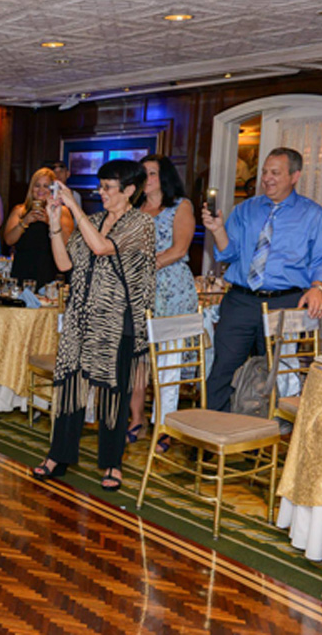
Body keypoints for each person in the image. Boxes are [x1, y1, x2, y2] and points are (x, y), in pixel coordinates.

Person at [33, 160, 156, 491]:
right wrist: (55, 224)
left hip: (117, 321)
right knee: (69, 386)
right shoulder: (96, 220)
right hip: (80, 316)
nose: (101, 192)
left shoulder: (141, 224)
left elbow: (102, 248)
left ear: (129, 190)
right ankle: (59, 455)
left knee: (114, 394)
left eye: (107, 187)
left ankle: (112, 463)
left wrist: (74, 207)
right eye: (100, 186)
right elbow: (64, 263)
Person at [202, 147, 322, 411]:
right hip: (240, 300)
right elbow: (228, 253)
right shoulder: (245, 209)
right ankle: (212, 430)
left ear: (295, 176)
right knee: (223, 368)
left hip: (283, 303)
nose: (266, 178)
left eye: (275, 173)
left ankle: (266, 429)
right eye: (264, 172)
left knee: (275, 374)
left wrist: (317, 287)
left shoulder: (313, 214)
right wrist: (217, 230)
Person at [126, 155, 198, 449]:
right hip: (139, 291)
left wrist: (144, 266)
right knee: (137, 358)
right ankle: (136, 418)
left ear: (164, 176)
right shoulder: (133, 210)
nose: (147, 179)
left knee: (168, 359)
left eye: (152, 173)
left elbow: (179, 249)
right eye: (142, 173)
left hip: (172, 289)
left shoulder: (180, 206)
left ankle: (165, 423)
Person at [4, 167, 74, 287]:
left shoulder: (62, 211)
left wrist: (50, 221)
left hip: (50, 272)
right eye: (37, 185)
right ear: (32, 188)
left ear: (52, 189)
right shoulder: (20, 210)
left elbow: (68, 242)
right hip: (23, 271)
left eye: (46, 186)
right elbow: (9, 240)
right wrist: (24, 222)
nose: (41, 190)